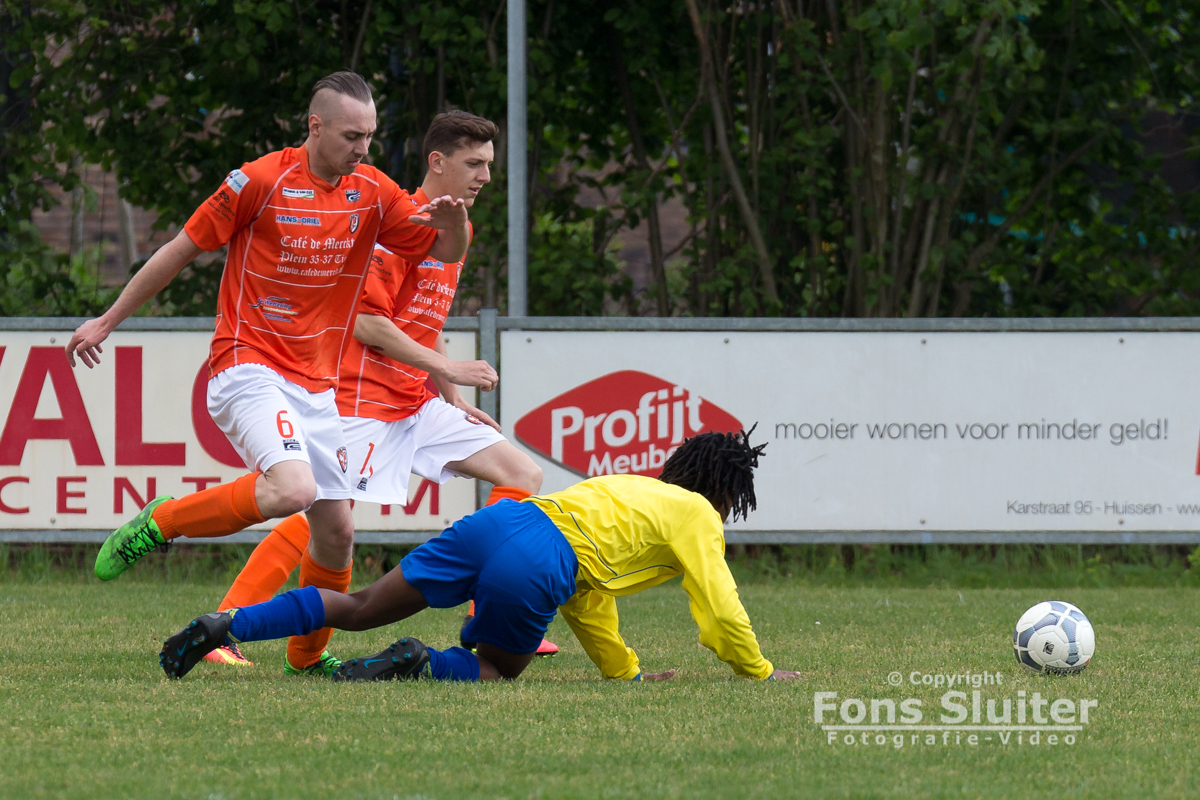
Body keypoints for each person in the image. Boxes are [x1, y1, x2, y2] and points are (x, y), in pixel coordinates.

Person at [68, 71, 470, 677]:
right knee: (292, 491)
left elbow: (442, 251)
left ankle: (305, 659)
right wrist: (106, 320)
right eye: (351, 135)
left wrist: (454, 222)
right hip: (247, 363)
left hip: (317, 384)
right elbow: (180, 249)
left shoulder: (374, 190)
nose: (362, 148)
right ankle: (162, 522)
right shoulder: (258, 180)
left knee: (336, 532)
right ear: (315, 126)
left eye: (370, 136)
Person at [201, 110, 557, 668]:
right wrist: (453, 367)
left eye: (489, 164)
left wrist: (450, 393)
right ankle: (223, 628)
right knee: (316, 519)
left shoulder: (454, 230)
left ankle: (485, 615)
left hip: (415, 403)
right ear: (437, 162)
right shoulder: (397, 229)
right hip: (359, 402)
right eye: (474, 163)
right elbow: (368, 323)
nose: (486, 176)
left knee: (521, 474)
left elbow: (425, 321)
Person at [161, 428, 802, 683]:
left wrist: (625, 674)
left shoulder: (633, 490)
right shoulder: (697, 515)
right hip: (541, 556)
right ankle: (419, 662)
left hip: (505, 519)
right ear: (725, 493)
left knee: (358, 607)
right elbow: (719, 609)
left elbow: (588, 599)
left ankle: (229, 623)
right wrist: (760, 672)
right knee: (497, 669)